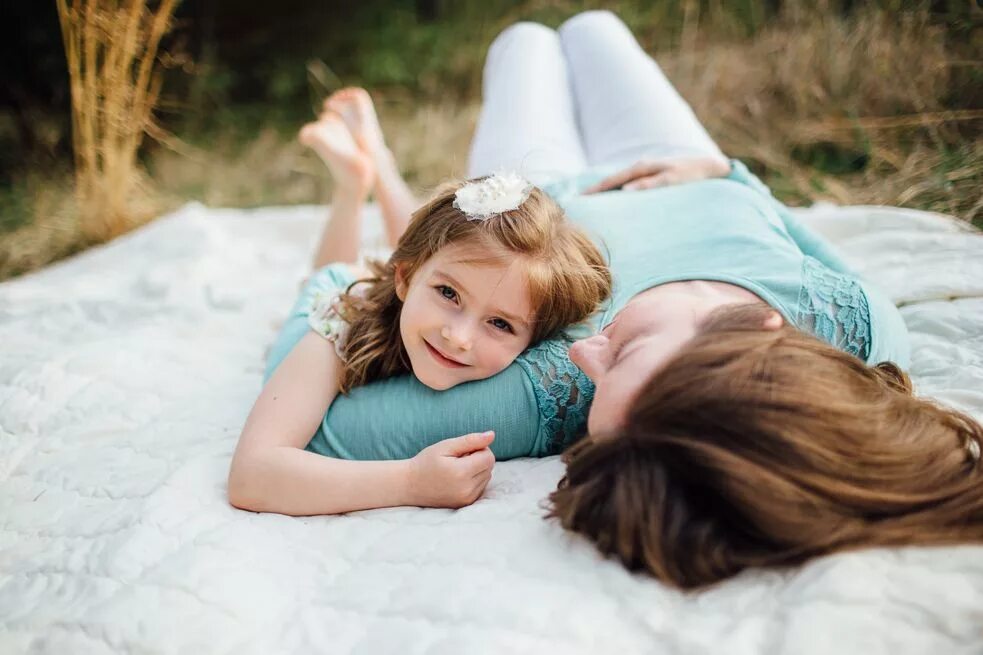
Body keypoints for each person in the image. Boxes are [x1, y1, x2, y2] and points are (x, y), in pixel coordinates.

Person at [231, 9, 983, 583]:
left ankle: (373, 174)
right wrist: (730, 174)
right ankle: (383, 172)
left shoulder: (539, 387)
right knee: (593, 27)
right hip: (675, 171)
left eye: (602, 368)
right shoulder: (860, 329)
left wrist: (406, 477)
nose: (586, 349)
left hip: (526, 203)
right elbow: (794, 237)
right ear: (761, 329)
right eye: (625, 350)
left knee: (523, 39)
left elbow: (322, 403)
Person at [226, 95, 611, 516]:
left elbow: (447, 273)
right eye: (449, 296)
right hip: (339, 297)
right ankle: (353, 185)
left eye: (500, 324)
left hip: (407, 279)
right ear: (404, 279)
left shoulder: (465, 298)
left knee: (443, 254)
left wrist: (448, 291)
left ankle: (377, 162)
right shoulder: (338, 326)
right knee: (333, 270)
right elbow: (252, 475)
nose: (458, 337)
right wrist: (410, 481)